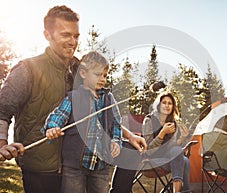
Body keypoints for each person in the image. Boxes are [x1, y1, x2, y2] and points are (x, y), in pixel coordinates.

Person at [0, 5, 147, 193]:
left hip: (76, 160)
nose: (72, 42)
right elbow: (3, 109)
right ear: (47, 35)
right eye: (65, 35)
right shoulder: (27, 69)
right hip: (43, 165)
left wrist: (130, 135)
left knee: (130, 153)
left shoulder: (81, 69)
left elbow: (97, 109)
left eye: (76, 36)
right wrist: (2, 144)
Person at [41, 51, 121, 193]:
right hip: (74, 166)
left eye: (105, 75)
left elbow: (116, 124)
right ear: (83, 74)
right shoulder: (74, 97)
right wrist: (52, 127)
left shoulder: (109, 99)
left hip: (101, 166)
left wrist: (116, 140)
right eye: (98, 74)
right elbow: (59, 115)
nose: (102, 79)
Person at [142, 91, 190, 193]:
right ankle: (179, 191)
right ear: (159, 105)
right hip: (150, 160)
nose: (167, 105)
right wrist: (162, 133)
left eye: (170, 103)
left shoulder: (172, 123)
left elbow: (171, 148)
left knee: (184, 159)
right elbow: (148, 149)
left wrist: (181, 138)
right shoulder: (149, 120)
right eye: (164, 102)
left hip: (166, 159)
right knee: (183, 160)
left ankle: (177, 190)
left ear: (173, 107)